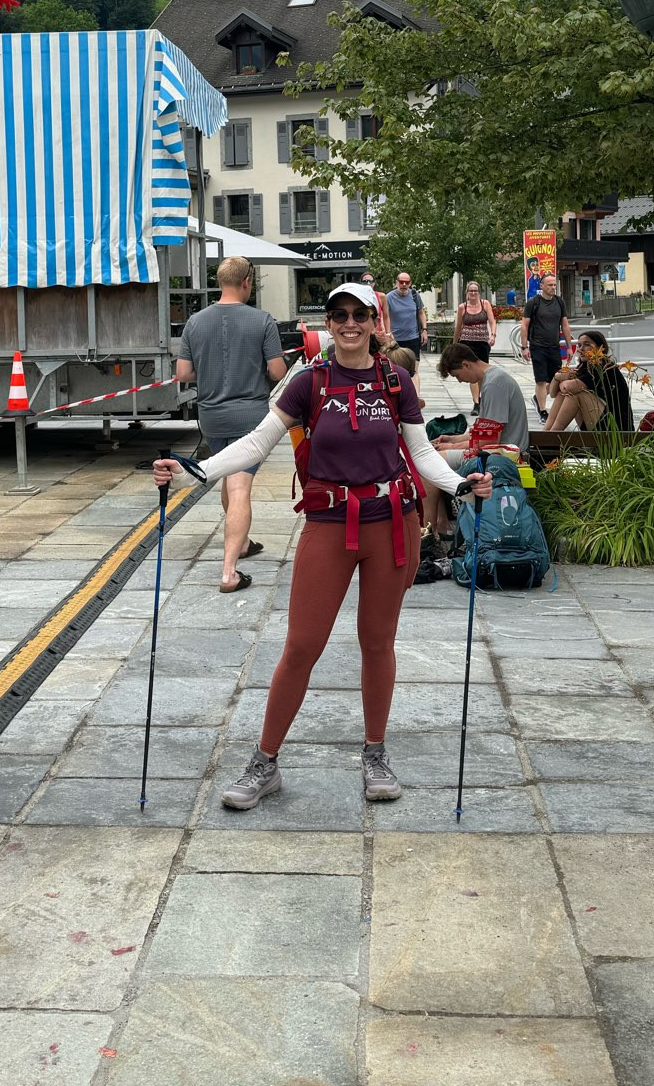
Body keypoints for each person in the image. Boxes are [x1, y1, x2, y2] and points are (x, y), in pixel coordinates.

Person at [153, 282, 491, 809]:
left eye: (360, 314)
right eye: (339, 314)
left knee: (377, 642)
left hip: (390, 524)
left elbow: (420, 453)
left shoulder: (394, 379)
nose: (350, 323)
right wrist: (195, 471)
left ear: (376, 323)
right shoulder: (308, 382)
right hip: (329, 525)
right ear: (327, 322)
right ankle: (265, 762)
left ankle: (375, 753)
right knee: (301, 645)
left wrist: (459, 485)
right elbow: (257, 442)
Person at [174, 256, 287, 593]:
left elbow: (182, 374)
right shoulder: (262, 320)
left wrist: (208, 373)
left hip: (211, 417)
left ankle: (244, 541)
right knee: (240, 487)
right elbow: (279, 372)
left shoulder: (195, 322)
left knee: (229, 476)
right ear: (247, 283)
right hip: (250, 417)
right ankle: (229, 572)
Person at [421, 340, 530, 545]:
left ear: (466, 365)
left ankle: (429, 530)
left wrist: (451, 447)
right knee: (434, 457)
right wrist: (452, 439)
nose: (460, 381)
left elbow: (489, 439)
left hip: (501, 456)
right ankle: (440, 525)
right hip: (497, 450)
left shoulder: (494, 384)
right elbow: (483, 429)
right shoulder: (492, 379)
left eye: (457, 376)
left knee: (429, 464)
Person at [545, 329, 635, 435]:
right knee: (563, 394)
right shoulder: (587, 366)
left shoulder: (602, 366)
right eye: (579, 345)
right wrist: (557, 377)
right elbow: (552, 393)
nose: (581, 349)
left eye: (586, 345)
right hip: (599, 423)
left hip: (616, 430)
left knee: (575, 394)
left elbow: (567, 388)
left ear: (601, 348)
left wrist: (564, 379)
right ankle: (545, 433)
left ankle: (552, 436)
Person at [520, 273, 572, 421]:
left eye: (554, 285)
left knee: (557, 379)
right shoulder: (533, 303)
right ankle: (543, 411)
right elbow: (524, 325)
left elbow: (565, 325)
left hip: (554, 346)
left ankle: (538, 399)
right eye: (549, 285)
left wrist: (569, 347)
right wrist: (524, 347)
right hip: (537, 346)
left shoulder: (559, 302)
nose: (553, 287)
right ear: (541, 286)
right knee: (541, 380)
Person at [452, 281, 496, 405]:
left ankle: (484, 399)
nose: (473, 293)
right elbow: (458, 327)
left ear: (479, 292)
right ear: (467, 292)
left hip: (482, 342)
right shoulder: (462, 307)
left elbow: (492, 322)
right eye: (470, 291)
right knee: (471, 370)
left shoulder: (485, 304)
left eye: (475, 291)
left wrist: (492, 335)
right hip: (467, 343)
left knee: (482, 371)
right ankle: (476, 402)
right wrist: (454, 344)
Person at [385, 271, 428, 359]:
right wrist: (388, 333)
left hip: (413, 338)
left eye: (407, 282)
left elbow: (421, 312)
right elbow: (385, 317)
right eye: (401, 282)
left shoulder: (415, 295)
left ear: (410, 283)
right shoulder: (388, 298)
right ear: (396, 282)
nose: (404, 284)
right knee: (397, 368)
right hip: (395, 339)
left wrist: (424, 330)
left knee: (414, 370)